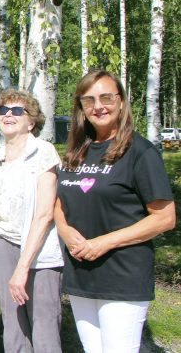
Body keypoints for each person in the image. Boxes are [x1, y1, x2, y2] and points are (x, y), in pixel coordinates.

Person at [54, 70, 176, 353]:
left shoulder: (140, 152)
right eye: (89, 100)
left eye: (106, 97)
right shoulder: (77, 151)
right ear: (81, 107)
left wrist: (104, 242)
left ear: (121, 102)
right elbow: (59, 201)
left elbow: (165, 218)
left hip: (122, 276)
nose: (99, 106)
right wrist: (65, 230)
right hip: (82, 273)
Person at [0, 89, 62, 353]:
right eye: (3, 110)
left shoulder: (43, 152)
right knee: (14, 329)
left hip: (38, 252)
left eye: (17, 111)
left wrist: (22, 267)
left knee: (44, 327)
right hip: (2, 245)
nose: (8, 115)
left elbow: (45, 213)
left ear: (32, 121)